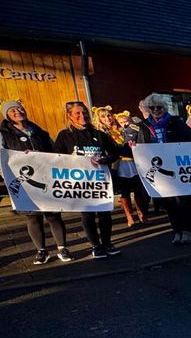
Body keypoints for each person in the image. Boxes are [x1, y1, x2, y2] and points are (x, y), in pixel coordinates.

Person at [0, 100, 74, 263]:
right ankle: (41, 251)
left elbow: (55, 153)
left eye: (20, 108)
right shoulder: (3, 134)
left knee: (53, 214)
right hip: (23, 181)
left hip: (45, 177)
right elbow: (1, 158)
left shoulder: (40, 132)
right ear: (7, 115)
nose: (18, 111)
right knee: (33, 216)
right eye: (12, 110)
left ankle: (62, 248)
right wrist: (7, 176)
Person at [54, 101, 124, 258]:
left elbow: (114, 153)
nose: (82, 116)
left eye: (84, 112)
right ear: (70, 116)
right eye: (77, 113)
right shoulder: (65, 136)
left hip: (100, 181)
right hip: (80, 183)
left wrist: (105, 159)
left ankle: (107, 243)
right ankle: (96, 246)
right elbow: (55, 157)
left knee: (104, 213)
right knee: (87, 215)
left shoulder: (100, 135)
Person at [135, 92, 191, 245]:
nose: (156, 110)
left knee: (182, 200)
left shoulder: (175, 122)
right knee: (170, 203)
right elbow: (140, 146)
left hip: (177, 167)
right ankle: (176, 231)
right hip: (159, 169)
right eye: (152, 108)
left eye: (159, 107)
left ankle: (186, 230)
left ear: (165, 108)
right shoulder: (144, 126)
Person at [114, 110, 149, 226]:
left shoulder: (134, 129)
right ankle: (129, 216)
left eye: (126, 121)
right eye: (121, 122)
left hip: (134, 162)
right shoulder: (116, 132)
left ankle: (141, 214)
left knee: (138, 190)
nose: (124, 124)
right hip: (121, 164)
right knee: (125, 192)